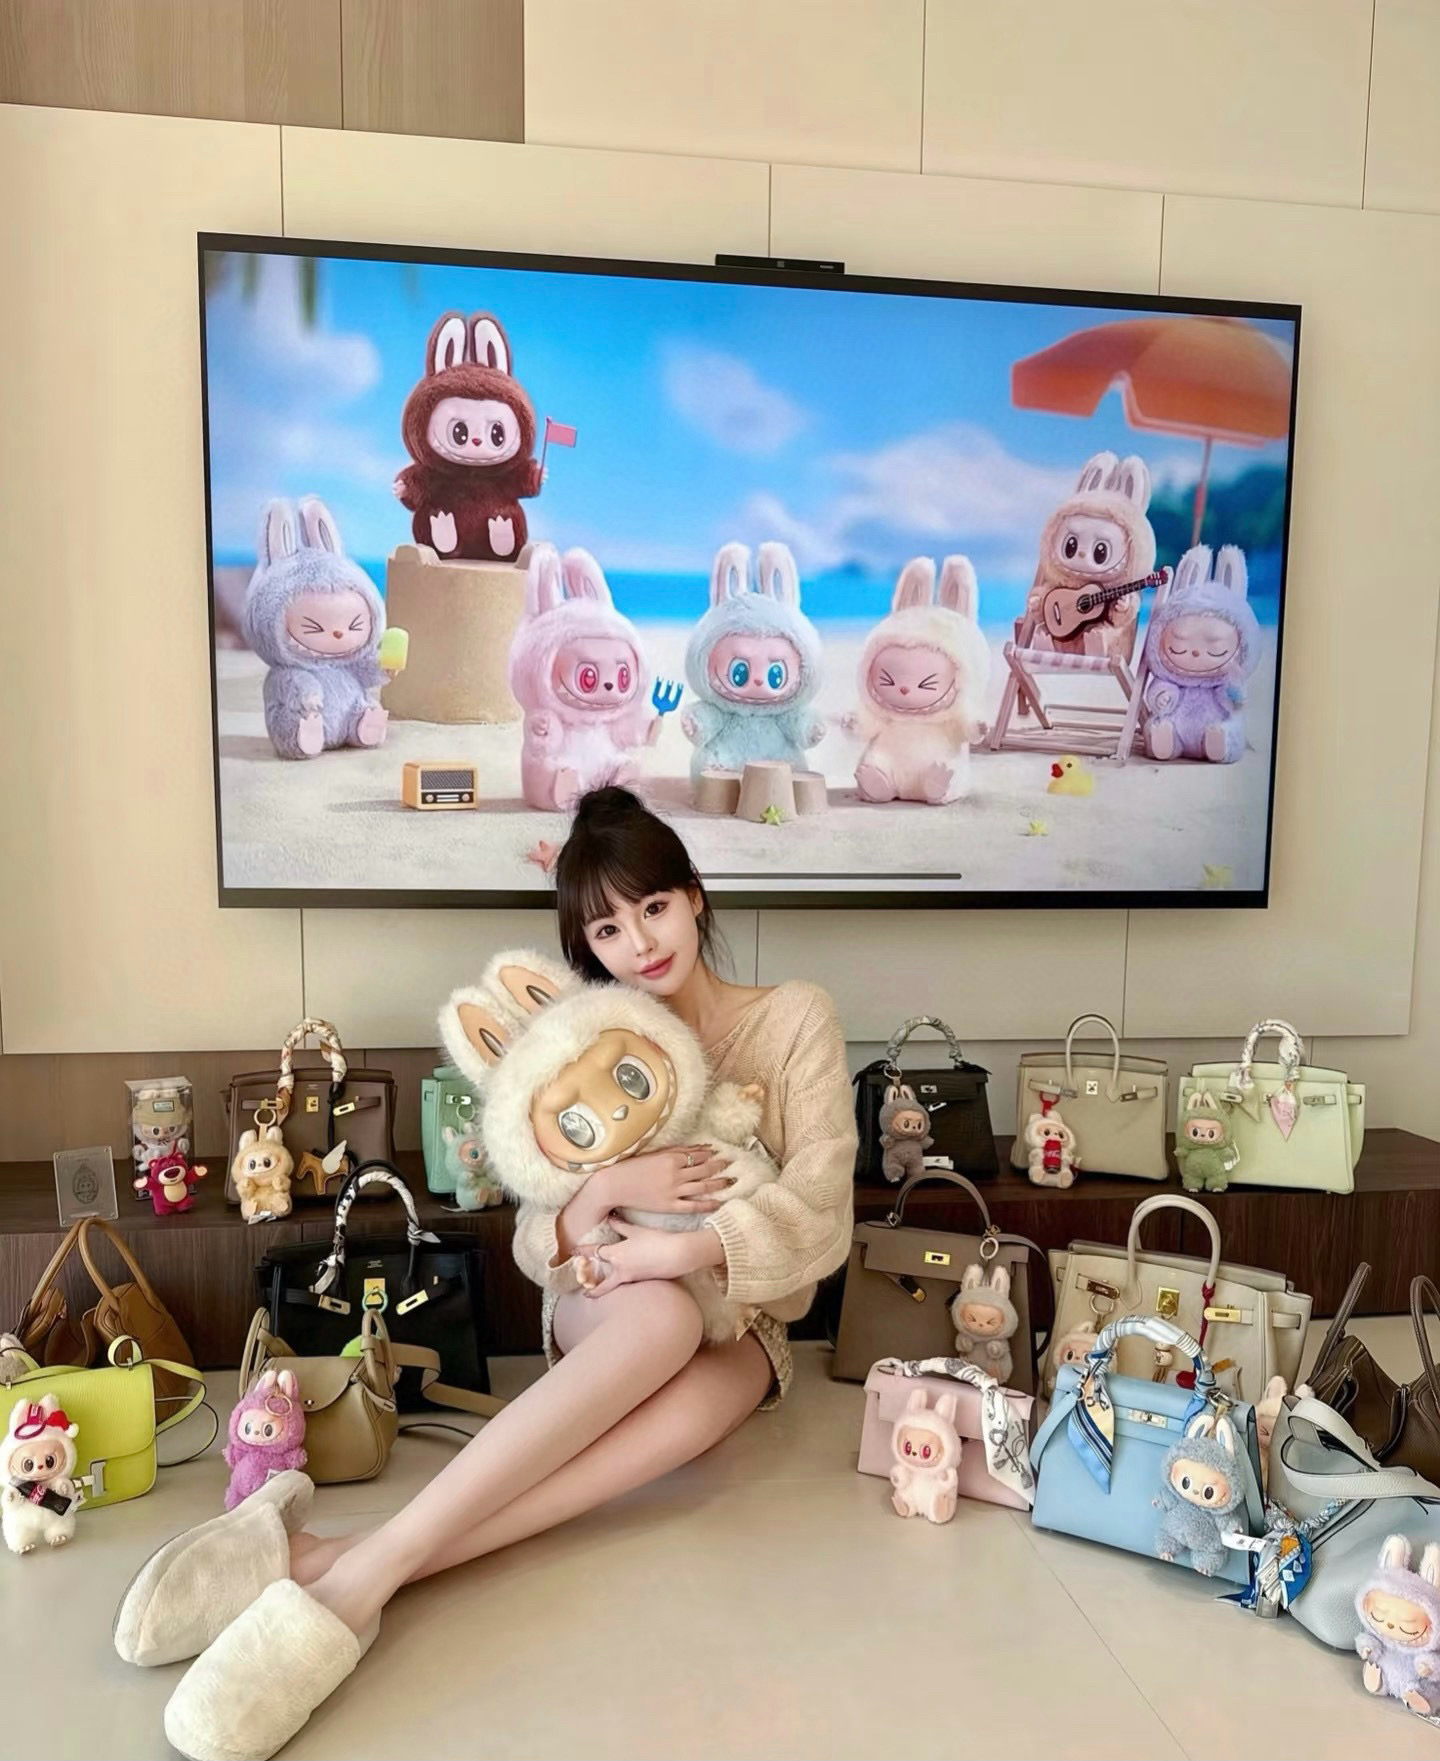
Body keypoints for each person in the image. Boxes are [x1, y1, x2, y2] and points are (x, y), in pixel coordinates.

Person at [122, 786, 857, 1761]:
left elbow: (823, 1207)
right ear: (584, 946)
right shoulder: (586, 1031)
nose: (640, 942)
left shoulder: (795, 1018)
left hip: (745, 1317)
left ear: (693, 895)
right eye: (608, 927)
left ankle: (350, 1560)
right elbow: (538, 1231)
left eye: (653, 906)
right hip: (610, 1301)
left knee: (690, 1415)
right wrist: (611, 1192)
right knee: (662, 1323)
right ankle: (363, 1577)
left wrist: (686, 1248)